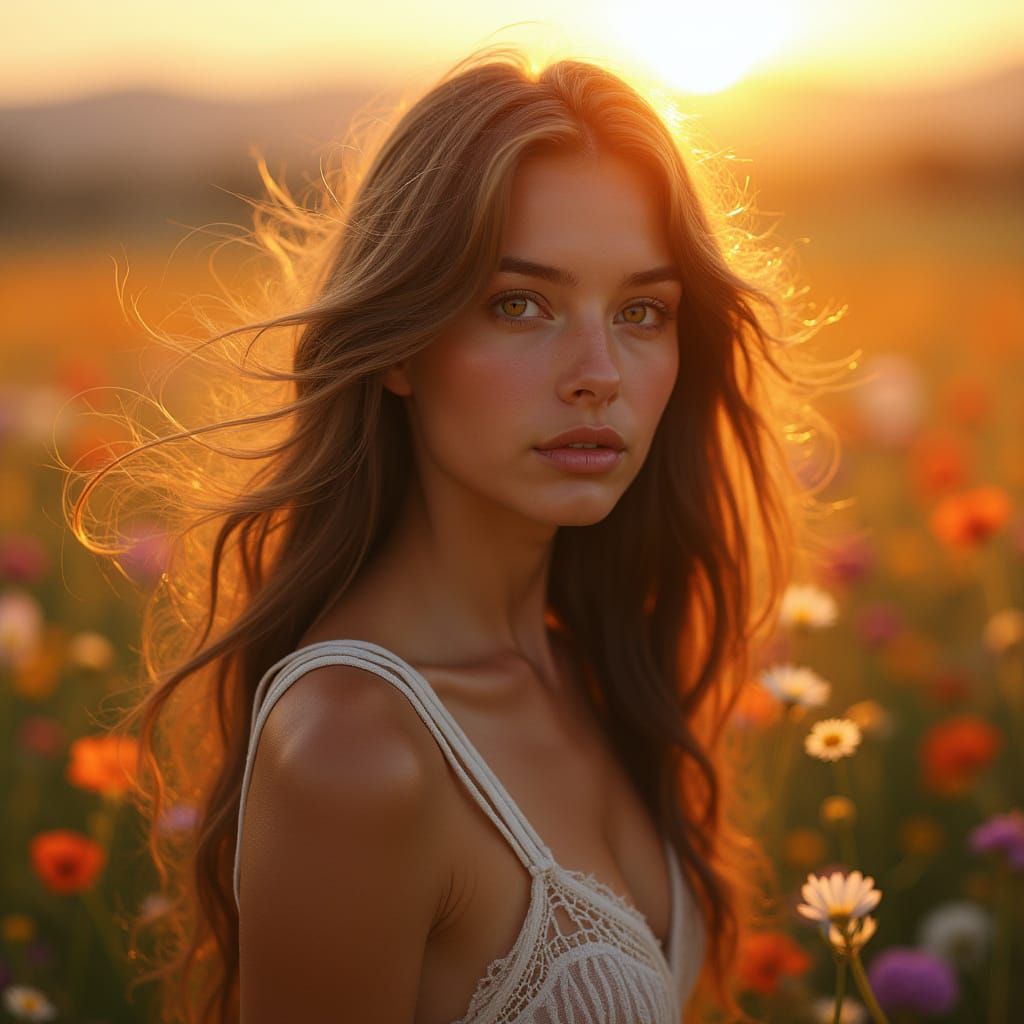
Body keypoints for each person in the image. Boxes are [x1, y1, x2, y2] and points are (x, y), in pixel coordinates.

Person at [66, 42, 843, 1024]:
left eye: (642, 310)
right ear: (398, 347)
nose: (597, 370)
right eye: (521, 303)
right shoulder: (357, 753)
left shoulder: (591, 667)